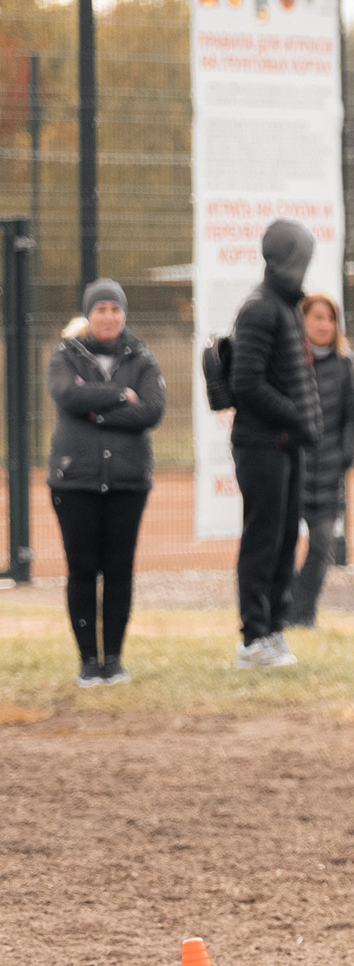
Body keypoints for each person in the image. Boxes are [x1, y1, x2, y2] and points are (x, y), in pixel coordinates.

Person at [46, 279, 165, 685]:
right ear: (88, 314)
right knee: (81, 570)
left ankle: (113, 660)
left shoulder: (144, 357)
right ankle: (87, 663)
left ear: (124, 315)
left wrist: (94, 407)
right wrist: (120, 396)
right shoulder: (64, 355)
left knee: (118, 570)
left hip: (128, 483)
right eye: (100, 309)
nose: (108, 317)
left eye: (115, 310)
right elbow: (66, 395)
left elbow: (151, 411)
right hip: (73, 482)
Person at [228, 218, 323, 670]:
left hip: (286, 444)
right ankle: (253, 638)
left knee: (286, 538)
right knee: (263, 539)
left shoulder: (285, 308)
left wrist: (299, 424)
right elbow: (245, 384)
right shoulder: (260, 309)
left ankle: (274, 630)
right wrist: (296, 414)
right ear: (289, 258)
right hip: (261, 444)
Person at [287, 293, 354, 627]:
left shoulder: (345, 366)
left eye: (330, 319)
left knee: (322, 546)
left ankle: (302, 614)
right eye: (317, 317)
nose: (324, 324)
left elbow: (351, 416)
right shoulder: (289, 363)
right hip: (293, 471)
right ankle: (285, 610)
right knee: (282, 546)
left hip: (330, 474)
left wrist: (345, 454)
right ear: (302, 321)